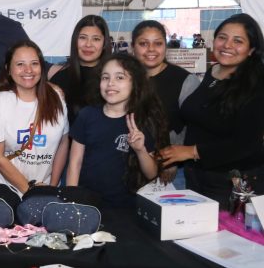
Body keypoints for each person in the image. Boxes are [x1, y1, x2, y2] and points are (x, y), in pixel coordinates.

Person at [160, 14, 264, 207]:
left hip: (232, 182)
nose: (227, 45)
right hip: (197, 176)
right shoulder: (213, 72)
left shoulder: (256, 85)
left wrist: (192, 151)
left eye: (238, 41)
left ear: (251, 50)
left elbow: (248, 143)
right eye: (222, 37)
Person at [67, 54, 167, 208]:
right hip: (87, 204)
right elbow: (75, 163)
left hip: (126, 207)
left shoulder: (143, 121)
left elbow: (152, 174)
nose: (110, 83)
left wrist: (140, 150)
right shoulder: (87, 115)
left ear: (135, 83)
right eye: (105, 78)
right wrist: (72, 202)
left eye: (119, 78)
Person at [0, 40, 69, 195]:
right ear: (8, 69)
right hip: (7, 190)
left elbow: (63, 143)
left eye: (34, 63)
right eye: (20, 64)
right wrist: (29, 191)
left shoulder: (56, 96)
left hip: (47, 188)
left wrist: (52, 186)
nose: (28, 70)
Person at [131, 20, 200, 187]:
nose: (151, 50)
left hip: (171, 174)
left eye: (158, 43)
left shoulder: (184, 80)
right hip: (130, 166)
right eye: (143, 44)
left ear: (166, 46)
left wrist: (171, 161)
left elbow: (195, 127)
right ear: (132, 47)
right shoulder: (124, 79)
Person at [49, 15, 112, 126]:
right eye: (83, 37)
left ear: (104, 44)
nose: (88, 44)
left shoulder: (115, 80)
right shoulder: (60, 78)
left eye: (96, 39)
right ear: (75, 40)